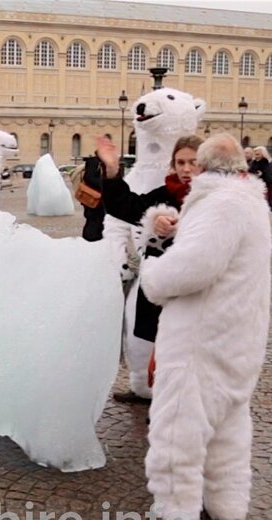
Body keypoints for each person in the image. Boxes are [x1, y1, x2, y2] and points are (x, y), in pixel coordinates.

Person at [132, 134, 271, 520]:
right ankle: (226, 506)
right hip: (240, 333)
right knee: (229, 424)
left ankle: (175, 512)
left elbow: (194, 266)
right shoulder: (249, 200)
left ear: (206, 169)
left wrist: (153, 277)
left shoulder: (219, 203)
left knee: (180, 423)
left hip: (202, 334)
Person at [96, 135, 204, 404]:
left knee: (187, 351)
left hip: (193, 289)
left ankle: (179, 408)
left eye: (193, 162)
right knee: (157, 343)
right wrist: (111, 172)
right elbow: (126, 206)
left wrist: (178, 229)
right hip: (160, 287)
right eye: (180, 162)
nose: (186, 169)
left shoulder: (214, 198)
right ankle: (153, 395)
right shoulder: (165, 193)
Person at [248, 146, 272, 211]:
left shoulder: (268, 164)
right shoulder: (252, 163)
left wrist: (262, 175)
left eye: (258, 154)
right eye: (255, 154)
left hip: (265, 188)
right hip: (253, 187)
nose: (256, 156)